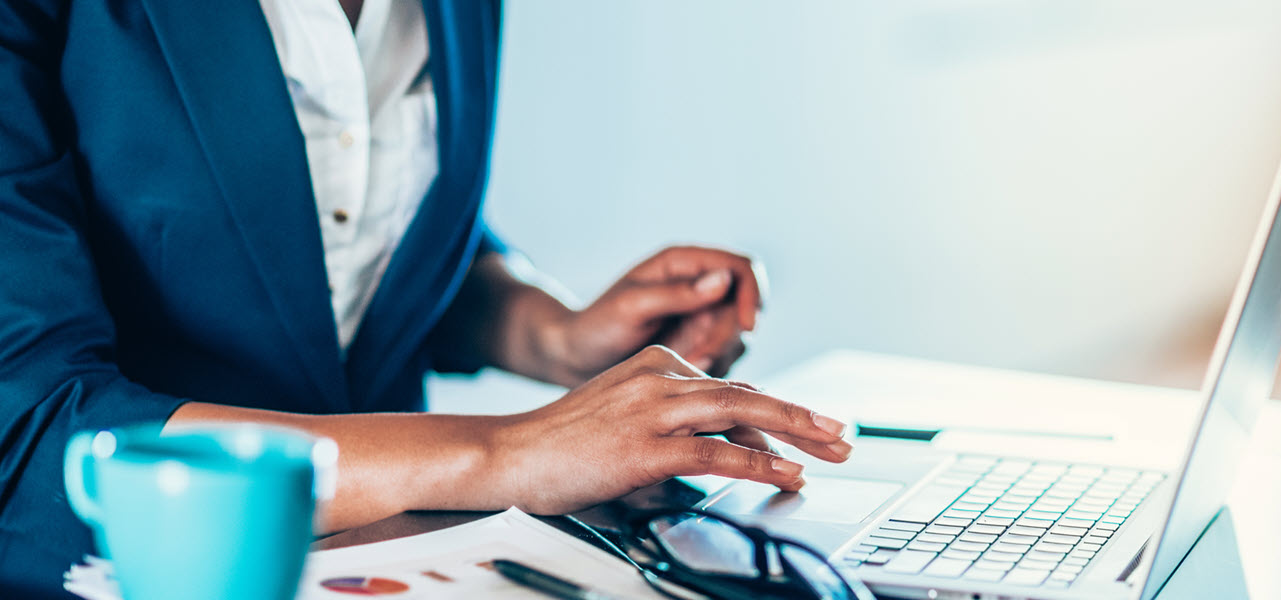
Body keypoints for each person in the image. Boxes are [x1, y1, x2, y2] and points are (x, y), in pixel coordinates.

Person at [0, 0, 852, 595]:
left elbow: (351, 235)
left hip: (409, 560)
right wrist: (504, 452)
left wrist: (552, 333)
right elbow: (32, 421)